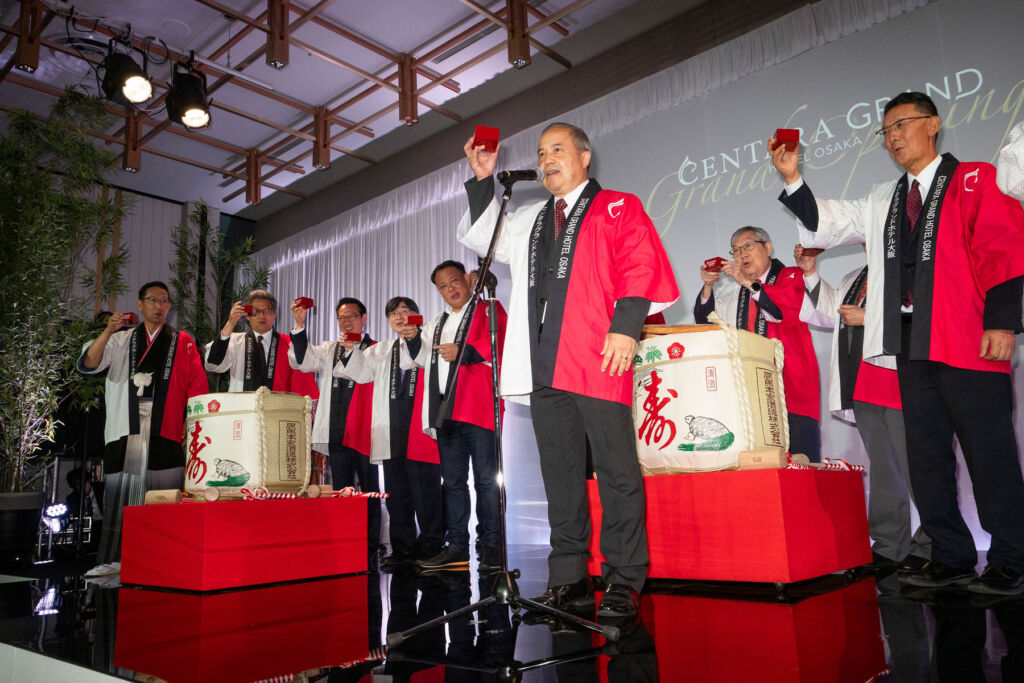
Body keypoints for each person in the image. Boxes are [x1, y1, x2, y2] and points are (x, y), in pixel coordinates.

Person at [771, 91, 1024, 595]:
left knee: (988, 453)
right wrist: (792, 178)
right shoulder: (883, 196)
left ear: (933, 124)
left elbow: (1004, 246)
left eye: (901, 125)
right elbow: (826, 221)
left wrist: (1001, 322)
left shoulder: (974, 177)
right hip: (908, 346)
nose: (892, 137)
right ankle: (950, 555)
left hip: (968, 338)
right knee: (926, 457)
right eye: (885, 131)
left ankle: (1013, 557)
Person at [459, 122, 678, 617]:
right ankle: (570, 578)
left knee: (617, 471)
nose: (546, 158)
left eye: (557, 149)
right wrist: (481, 181)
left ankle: (624, 578)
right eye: (541, 152)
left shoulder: (617, 206)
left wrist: (626, 326)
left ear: (584, 157)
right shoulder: (533, 216)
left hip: (599, 355)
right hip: (544, 364)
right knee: (559, 476)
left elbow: (640, 264)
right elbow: (485, 237)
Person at [800, 246, 931, 574]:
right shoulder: (853, 277)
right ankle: (890, 545)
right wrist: (810, 272)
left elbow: (918, 316)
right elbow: (831, 313)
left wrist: (867, 318)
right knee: (885, 471)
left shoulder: (909, 268)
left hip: (899, 381)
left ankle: (934, 543)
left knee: (921, 468)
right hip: (862, 385)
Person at [78, 281, 208, 569]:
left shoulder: (183, 340)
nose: (159, 306)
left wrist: (192, 421)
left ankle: (163, 562)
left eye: (164, 301)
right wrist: (108, 330)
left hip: (167, 426)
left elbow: (197, 384)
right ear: (140, 304)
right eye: (153, 300)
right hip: (127, 426)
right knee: (121, 495)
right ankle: (115, 561)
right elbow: (90, 362)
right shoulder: (121, 338)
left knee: (163, 495)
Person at [693, 227, 822, 462]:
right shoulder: (735, 291)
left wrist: (745, 280)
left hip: (792, 388)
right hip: (752, 393)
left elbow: (780, 309)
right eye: (735, 250)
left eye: (748, 246)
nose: (741, 254)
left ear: (768, 247)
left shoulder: (792, 276)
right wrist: (708, 287)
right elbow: (706, 322)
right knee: (762, 468)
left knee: (803, 468)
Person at [411, 260, 508, 573]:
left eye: (454, 281)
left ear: (469, 280)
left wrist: (463, 351)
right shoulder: (437, 322)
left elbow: (501, 342)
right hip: (446, 411)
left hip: (479, 408)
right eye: (442, 286)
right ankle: (456, 548)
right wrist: (408, 335)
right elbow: (417, 355)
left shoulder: (488, 310)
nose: (450, 289)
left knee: (486, 482)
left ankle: (491, 547)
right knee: (452, 483)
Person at [333, 296, 444, 570]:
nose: (399, 316)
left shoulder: (430, 345)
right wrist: (349, 350)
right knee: (397, 495)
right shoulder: (381, 349)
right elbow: (359, 373)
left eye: (405, 311)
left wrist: (416, 339)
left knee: (426, 494)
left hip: (419, 431)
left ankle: (431, 548)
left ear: (417, 316)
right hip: (391, 432)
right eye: (393, 313)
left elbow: (429, 365)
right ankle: (404, 548)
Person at [288, 297, 381, 564]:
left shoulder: (377, 350)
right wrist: (299, 325)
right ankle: (347, 539)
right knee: (342, 489)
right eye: (342, 318)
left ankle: (372, 543)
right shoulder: (330, 349)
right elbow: (302, 360)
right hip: (337, 431)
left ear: (364, 319)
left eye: (352, 316)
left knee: (370, 489)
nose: (347, 321)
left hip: (365, 432)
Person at [204, 289, 318, 397]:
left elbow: (304, 375)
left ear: (274, 314)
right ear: (247, 316)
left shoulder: (289, 344)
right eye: (256, 311)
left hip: (277, 412)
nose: (261, 316)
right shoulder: (235, 341)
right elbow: (213, 365)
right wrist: (230, 323)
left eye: (267, 311)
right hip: (242, 412)